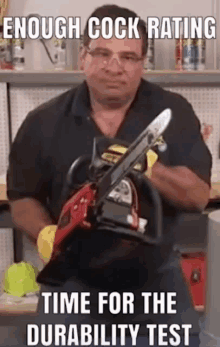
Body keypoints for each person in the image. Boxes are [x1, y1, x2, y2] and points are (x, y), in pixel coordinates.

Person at [6, 4, 212, 347]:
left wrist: (149, 166)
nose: (114, 66)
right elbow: (22, 196)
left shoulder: (173, 111)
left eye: (128, 57)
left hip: (156, 285)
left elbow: (198, 196)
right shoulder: (42, 122)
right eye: (102, 53)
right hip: (72, 285)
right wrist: (45, 234)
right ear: (83, 57)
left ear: (143, 61)